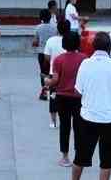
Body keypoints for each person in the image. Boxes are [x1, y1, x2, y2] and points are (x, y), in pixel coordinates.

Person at [71, 32, 111, 180]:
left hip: (88, 117)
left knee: (80, 157)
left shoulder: (85, 64)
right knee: (107, 161)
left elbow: (77, 91)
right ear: (110, 47)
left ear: (93, 46)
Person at [44, 31, 86, 168]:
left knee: (65, 126)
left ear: (64, 44)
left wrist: (47, 81)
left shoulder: (59, 60)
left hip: (63, 97)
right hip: (79, 97)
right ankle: (79, 156)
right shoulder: (84, 58)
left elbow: (55, 80)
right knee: (79, 127)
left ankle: (65, 157)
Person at [44, 19, 71, 128]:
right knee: (68, 96)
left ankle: (53, 121)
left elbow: (46, 56)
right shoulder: (71, 40)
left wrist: (52, 61)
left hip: (53, 72)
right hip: (68, 73)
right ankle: (66, 118)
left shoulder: (51, 40)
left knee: (53, 96)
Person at [33, 9, 58, 99]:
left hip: (42, 52)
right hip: (52, 52)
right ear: (50, 17)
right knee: (52, 72)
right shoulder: (55, 27)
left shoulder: (38, 27)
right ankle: (52, 92)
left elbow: (35, 41)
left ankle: (44, 91)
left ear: (41, 17)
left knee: (43, 72)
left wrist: (35, 43)